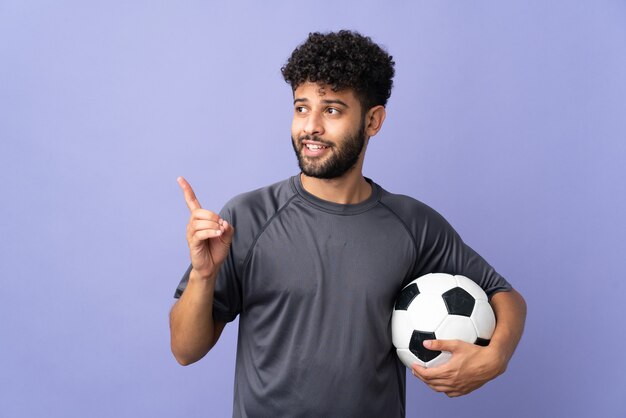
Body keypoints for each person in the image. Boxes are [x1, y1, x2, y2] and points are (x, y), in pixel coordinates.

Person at [170, 30, 526, 418]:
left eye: (333, 110)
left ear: (372, 120)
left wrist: (496, 357)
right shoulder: (248, 218)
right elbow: (185, 351)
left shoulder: (412, 224)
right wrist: (204, 276)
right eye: (301, 108)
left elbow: (505, 296)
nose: (311, 127)